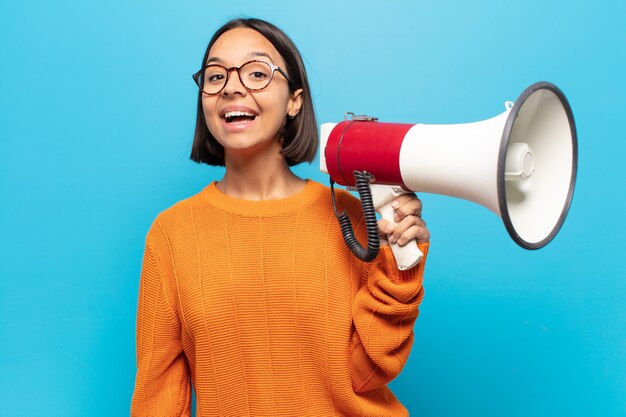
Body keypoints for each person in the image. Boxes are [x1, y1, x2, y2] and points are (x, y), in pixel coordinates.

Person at [131, 17, 430, 417]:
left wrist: (401, 266)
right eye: (216, 76)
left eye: (257, 73)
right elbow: (158, 394)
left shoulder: (357, 218)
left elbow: (366, 373)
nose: (232, 87)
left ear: (295, 100)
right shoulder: (172, 234)